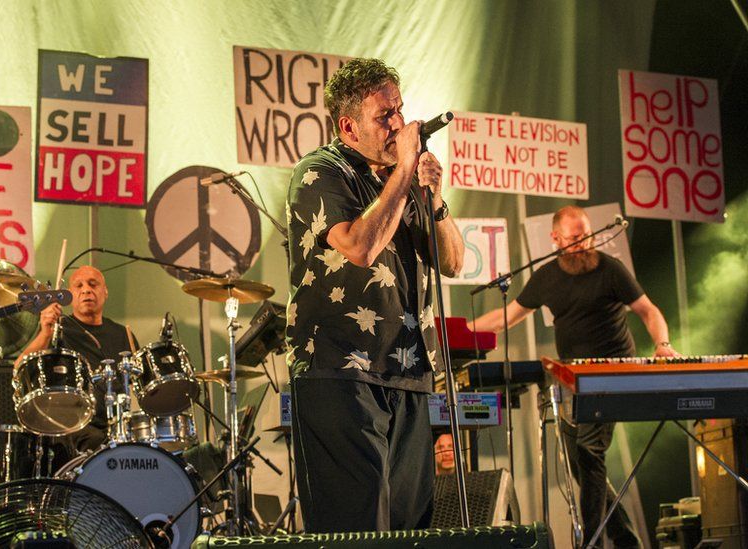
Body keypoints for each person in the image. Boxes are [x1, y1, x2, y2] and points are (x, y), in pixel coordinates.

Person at [286, 58, 464, 533]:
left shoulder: (401, 181)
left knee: (409, 529)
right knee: (357, 529)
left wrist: (436, 197)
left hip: (408, 372)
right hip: (341, 371)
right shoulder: (320, 172)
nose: (399, 125)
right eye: (384, 116)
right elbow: (360, 246)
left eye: (399, 111)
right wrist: (406, 169)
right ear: (348, 126)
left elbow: (453, 262)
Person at [473, 204, 679, 548]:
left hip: (613, 373)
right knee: (578, 462)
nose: (585, 242)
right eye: (575, 237)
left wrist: (663, 344)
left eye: (587, 234)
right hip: (572, 379)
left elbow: (648, 310)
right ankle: (625, 538)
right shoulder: (547, 276)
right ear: (556, 239)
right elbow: (507, 317)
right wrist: (459, 331)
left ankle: (592, 542)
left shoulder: (610, 269)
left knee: (588, 451)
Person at [16, 265, 138, 461]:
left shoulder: (123, 334)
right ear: (69, 295)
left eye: (93, 284)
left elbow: (139, 387)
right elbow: (19, 367)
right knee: (98, 443)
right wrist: (45, 332)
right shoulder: (58, 330)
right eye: (78, 285)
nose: (86, 290)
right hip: (75, 425)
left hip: (118, 424)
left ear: (105, 292)